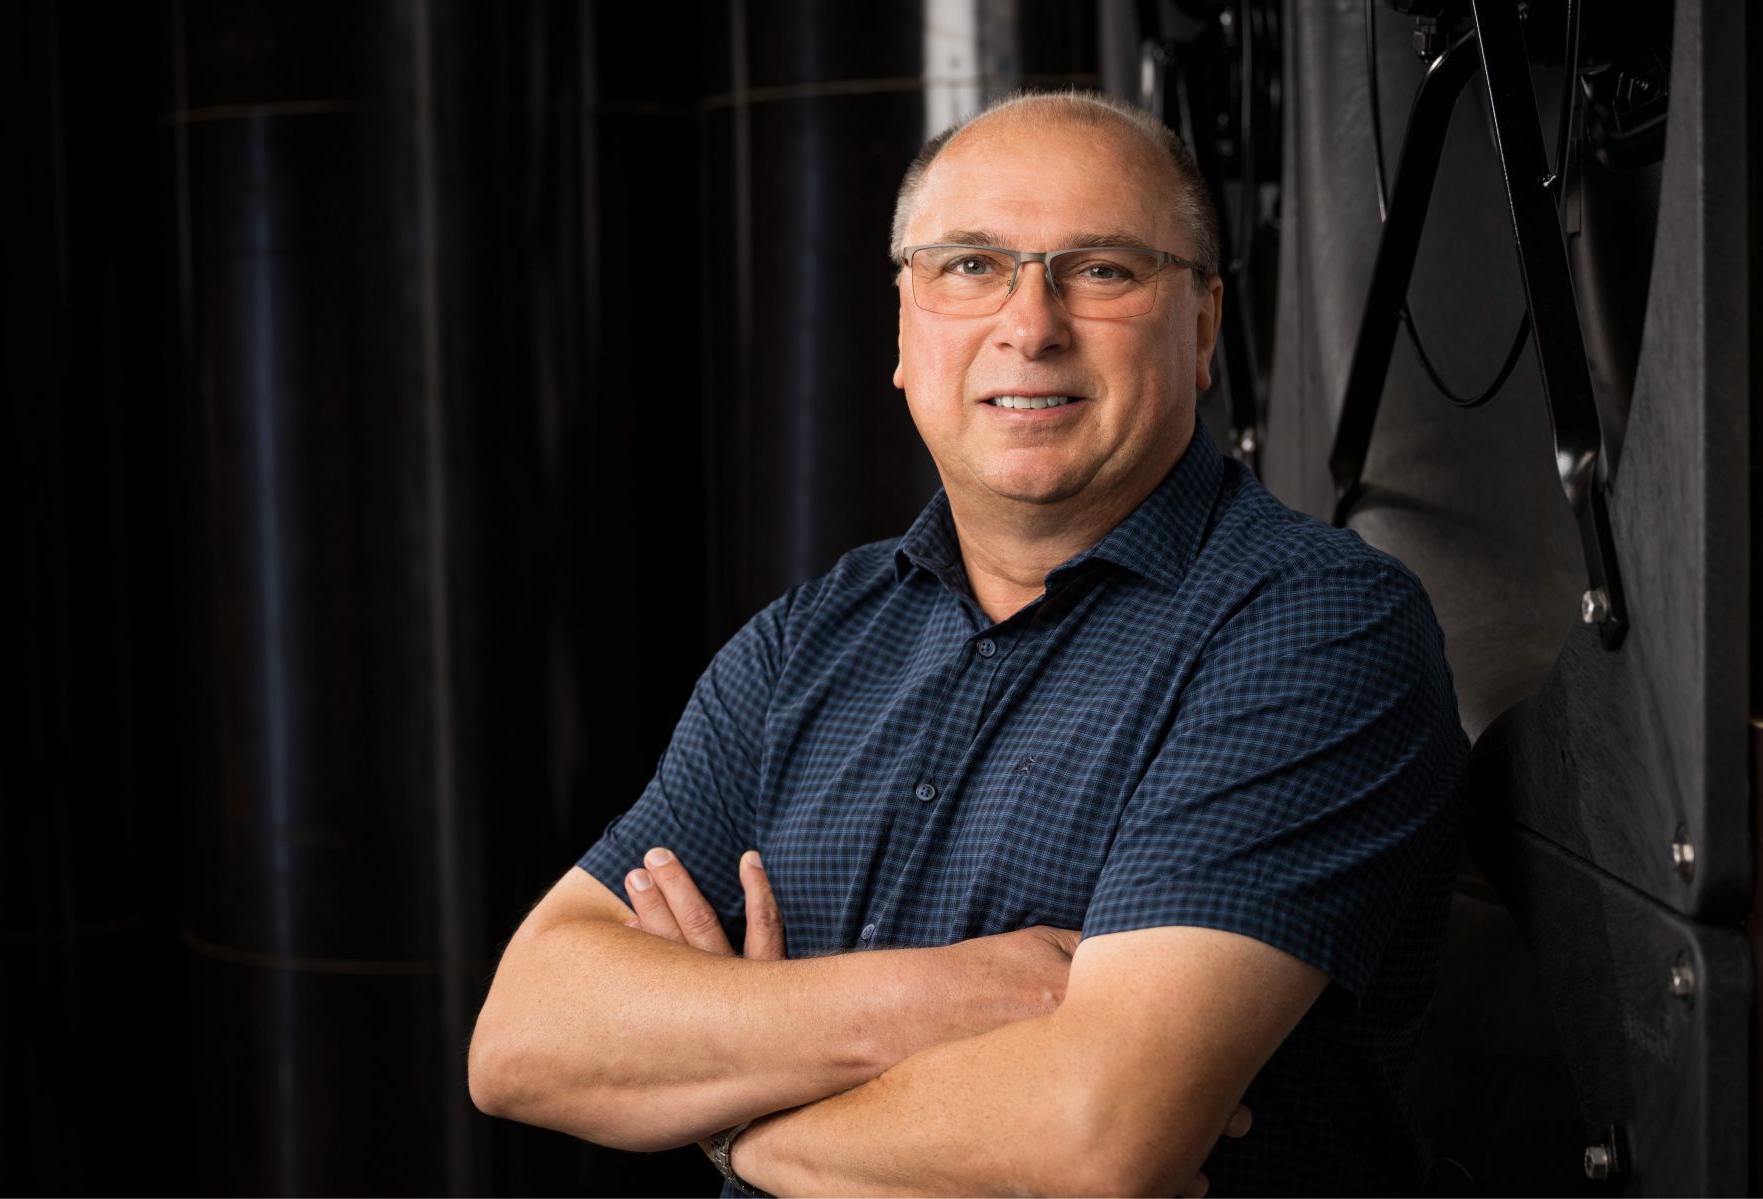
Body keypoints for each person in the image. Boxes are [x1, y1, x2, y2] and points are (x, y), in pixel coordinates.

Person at [469, 90, 1468, 1197]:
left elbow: (1094, 1138)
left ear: (1202, 327)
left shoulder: (1316, 629)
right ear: (904, 330)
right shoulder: (806, 644)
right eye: (969, 266)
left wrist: (731, 1117)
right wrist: (937, 998)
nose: (1030, 326)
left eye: (1102, 269)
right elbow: (525, 1036)